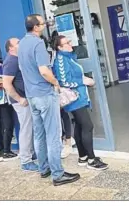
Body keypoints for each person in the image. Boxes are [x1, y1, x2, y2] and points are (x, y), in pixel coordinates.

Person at [18, 14, 80, 186]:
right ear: (36, 27)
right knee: (53, 135)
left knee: (39, 134)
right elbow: (44, 71)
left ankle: (44, 168)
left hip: (32, 95)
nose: (45, 25)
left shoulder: (22, 43)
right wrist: (56, 83)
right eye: (42, 23)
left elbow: (23, 69)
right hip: (45, 93)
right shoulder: (38, 43)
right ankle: (58, 174)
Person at [52, 35, 108, 171]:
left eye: (69, 41)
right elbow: (63, 81)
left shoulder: (69, 57)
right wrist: (82, 81)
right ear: (59, 47)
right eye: (66, 43)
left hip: (79, 97)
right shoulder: (61, 60)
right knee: (88, 126)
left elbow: (72, 74)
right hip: (74, 98)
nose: (70, 44)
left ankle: (83, 156)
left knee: (79, 125)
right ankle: (91, 159)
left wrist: (82, 78)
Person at [3, 38, 38, 172]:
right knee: (26, 129)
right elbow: (7, 84)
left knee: (31, 127)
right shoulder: (11, 62)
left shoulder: (18, 59)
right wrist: (19, 99)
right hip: (21, 101)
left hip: (26, 98)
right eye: (17, 43)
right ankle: (25, 160)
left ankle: (30, 152)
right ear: (11, 48)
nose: (20, 44)